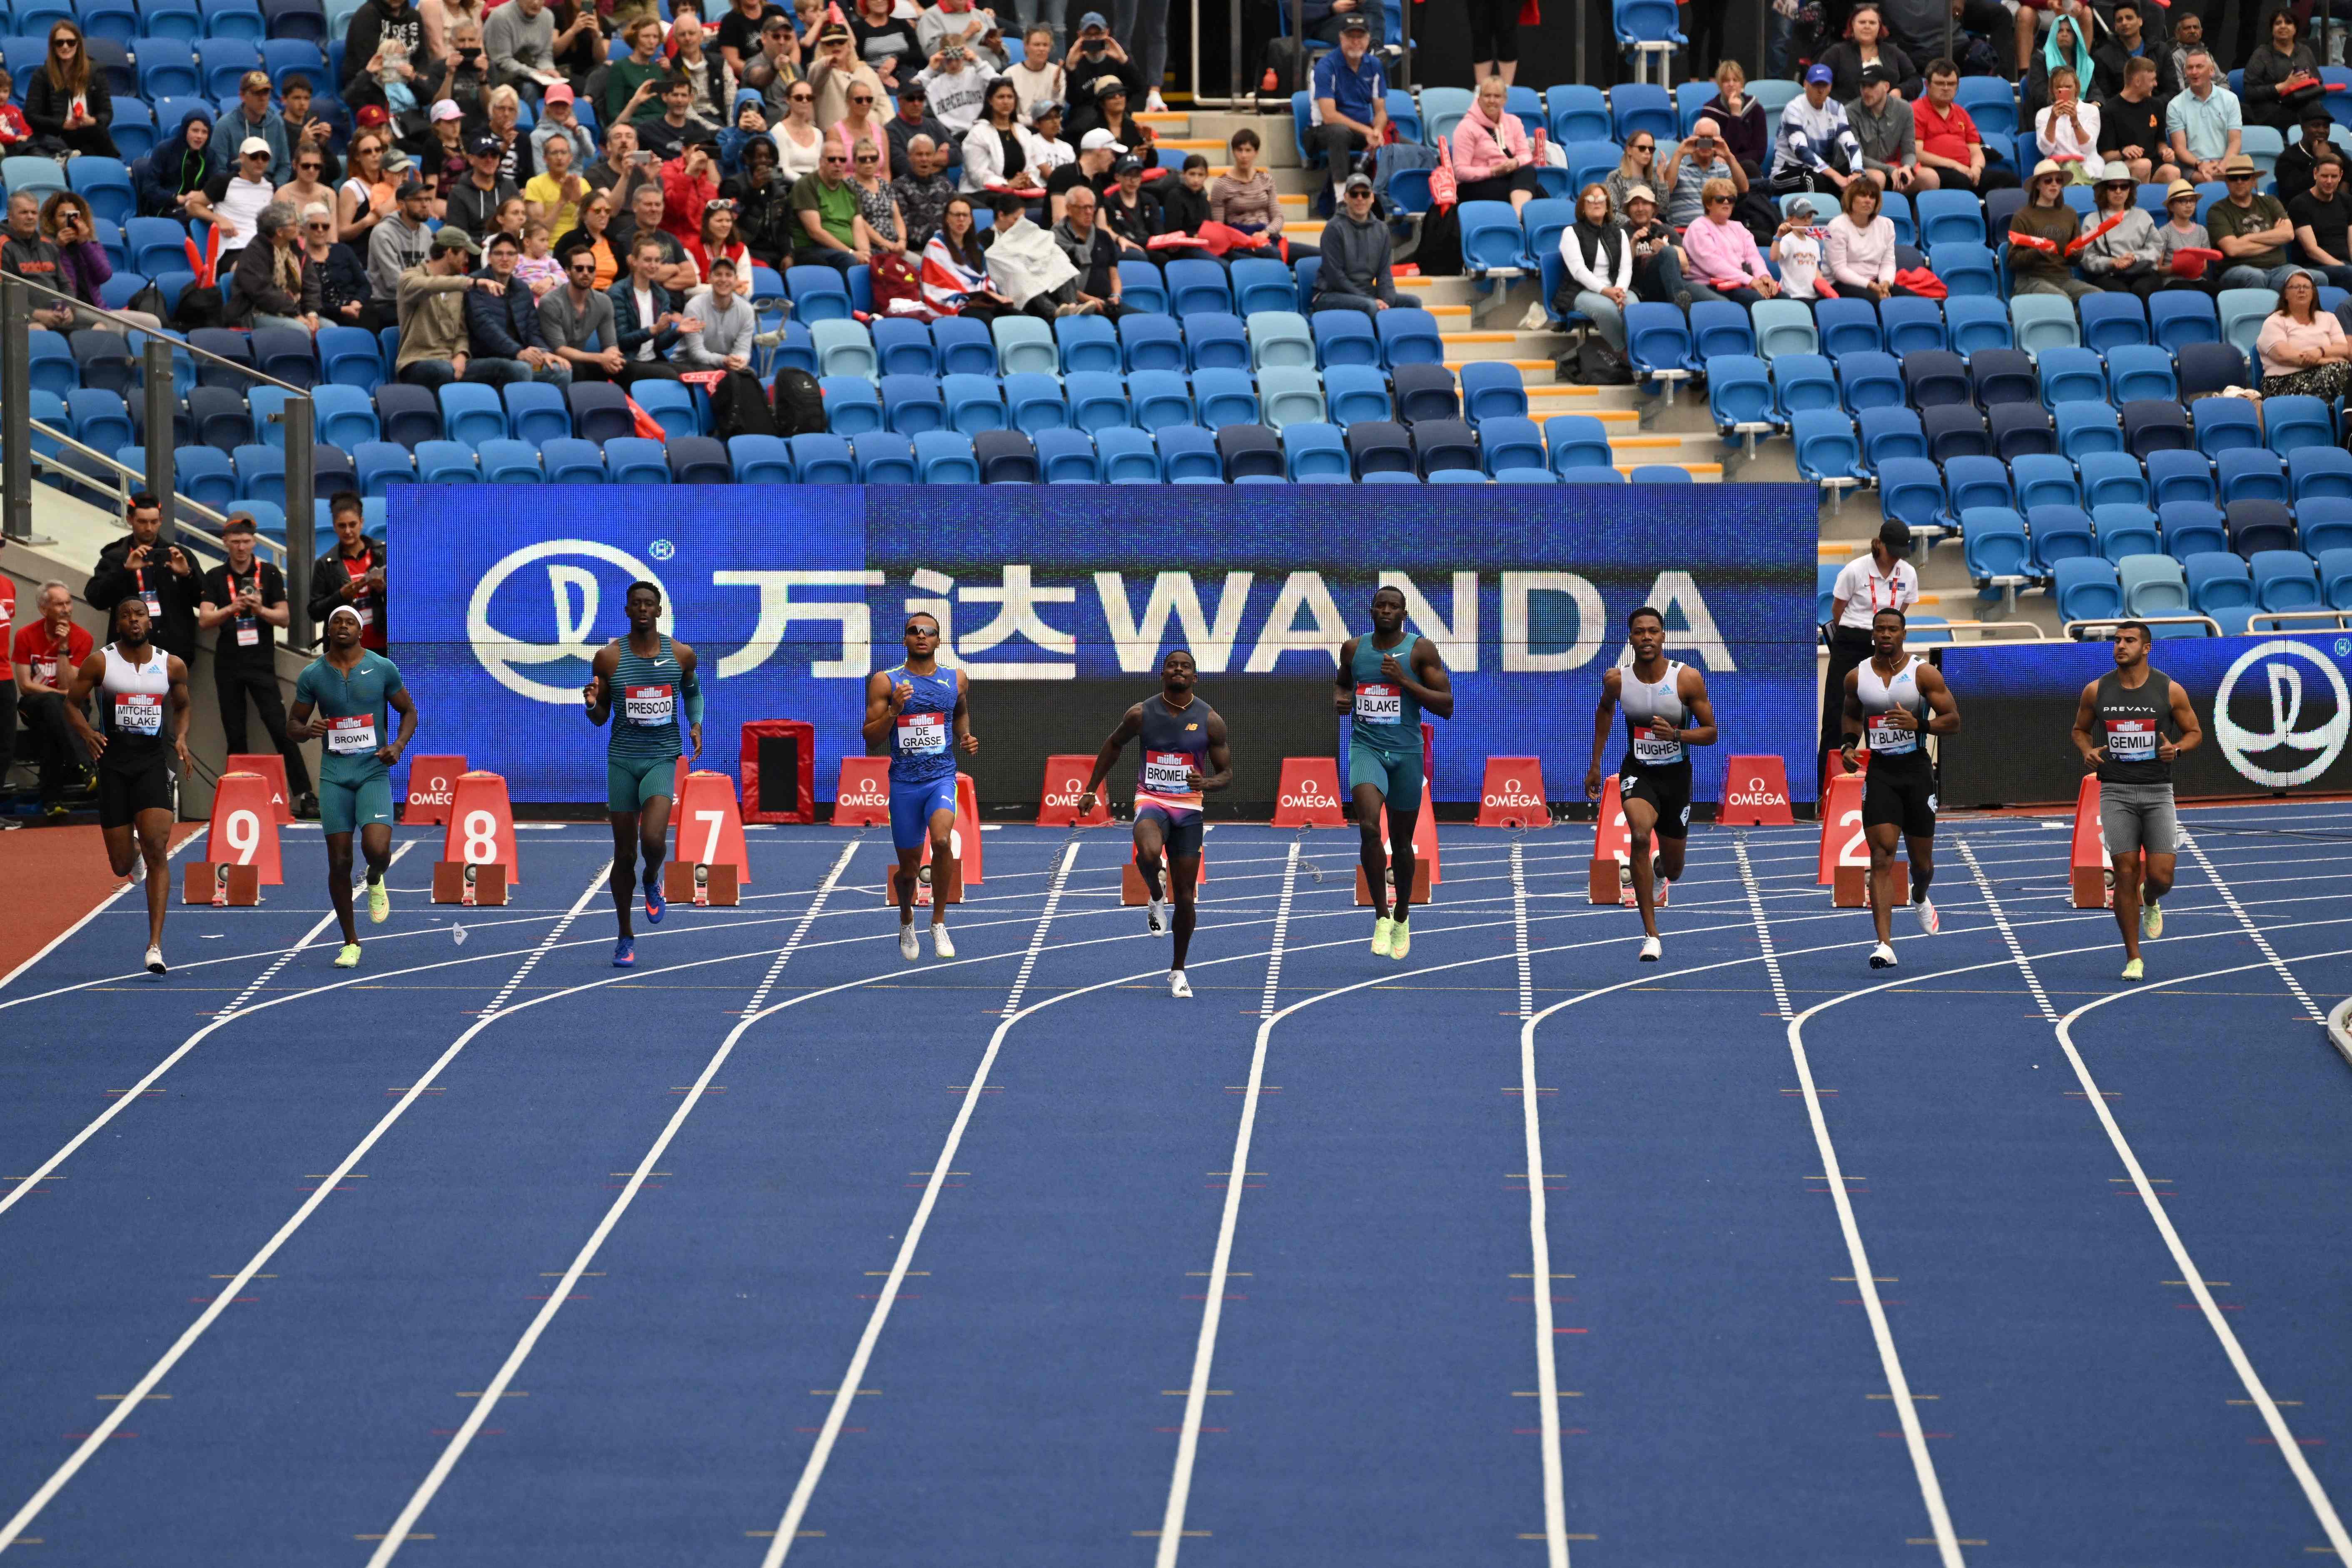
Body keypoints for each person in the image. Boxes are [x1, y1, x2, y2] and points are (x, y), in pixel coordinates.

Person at [1071, 650, 1229, 996]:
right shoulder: (1141, 714)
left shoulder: (1210, 719)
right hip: (1152, 800)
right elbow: (1113, 745)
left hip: (1188, 809)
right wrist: (1090, 789)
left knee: (1187, 897)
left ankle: (1178, 970)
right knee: (1148, 850)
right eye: (1172, 665)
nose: (1178, 670)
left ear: (1195, 677)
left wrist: (1208, 784)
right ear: (1163, 674)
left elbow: (1227, 773)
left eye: (1185, 666)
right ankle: (1156, 894)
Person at [61, 596, 189, 976]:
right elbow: (71, 704)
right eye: (127, 616)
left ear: (150, 622)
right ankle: (131, 856)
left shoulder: (171, 664)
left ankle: (155, 946)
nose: (134, 621)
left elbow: (182, 705)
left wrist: (181, 738)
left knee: (157, 847)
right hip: (113, 765)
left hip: (152, 763)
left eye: (140, 615)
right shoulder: (101, 662)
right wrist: (86, 733)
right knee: (121, 865)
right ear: (118, 623)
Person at [1585, 606, 1717, 961]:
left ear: (1663, 636)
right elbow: (1605, 711)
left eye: (1653, 631)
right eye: (1639, 631)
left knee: (1675, 869)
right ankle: (1651, 934)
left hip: (1676, 777)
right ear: (1630, 638)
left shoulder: (1686, 679)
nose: (1646, 637)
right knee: (1640, 836)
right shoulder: (1617, 680)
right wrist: (1596, 764)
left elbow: (1711, 733)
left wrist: (1676, 733)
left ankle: (1661, 871)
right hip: (1638, 771)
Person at [2070, 622, 2201, 982]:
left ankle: (2152, 897)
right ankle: (2133, 957)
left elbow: (2195, 732)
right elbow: (2080, 730)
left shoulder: (2169, 689)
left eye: (2129, 641)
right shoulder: (2097, 690)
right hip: (2115, 792)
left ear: (2147, 648)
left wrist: (2175, 749)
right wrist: (2088, 751)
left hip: (2158, 792)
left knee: (2162, 876)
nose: (2120, 646)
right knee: (2124, 870)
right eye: (2116, 640)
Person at [583, 581, 704, 967]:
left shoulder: (681, 654)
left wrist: (696, 722)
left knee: (651, 839)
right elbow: (601, 718)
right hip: (622, 759)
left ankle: (653, 877)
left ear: (659, 610)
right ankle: (624, 935)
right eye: (636, 604)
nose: (643, 610)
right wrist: (590, 705)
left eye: (649, 604)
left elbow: (693, 692)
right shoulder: (608, 658)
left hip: (661, 757)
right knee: (623, 854)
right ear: (627, 610)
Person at [287, 602, 413, 969]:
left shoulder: (382, 667)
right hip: (334, 775)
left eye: (350, 622)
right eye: (336, 622)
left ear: (361, 631)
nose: (343, 626)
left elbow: (409, 711)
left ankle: (375, 877)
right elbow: (292, 725)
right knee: (340, 861)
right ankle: (350, 941)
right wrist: (308, 730)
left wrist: (398, 746)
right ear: (329, 631)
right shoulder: (313, 674)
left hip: (372, 769)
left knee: (377, 849)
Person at [1333, 586, 1452, 961]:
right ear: (1371, 611)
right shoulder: (1354, 649)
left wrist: (1403, 681)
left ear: (1404, 613)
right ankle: (1381, 915)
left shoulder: (1420, 650)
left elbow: (1447, 705)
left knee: (1401, 843)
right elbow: (1342, 681)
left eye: (1394, 606)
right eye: (1380, 605)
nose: (1386, 610)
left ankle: (1402, 914)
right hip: (1366, 748)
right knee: (1369, 827)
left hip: (1406, 753)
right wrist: (1340, 697)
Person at [1839, 608, 1959, 969]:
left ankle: (1920, 895)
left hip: (1917, 772)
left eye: (1893, 629)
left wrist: (1919, 723)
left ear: (1904, 634)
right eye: (1880, 629)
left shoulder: (1923, 673)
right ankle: (1884, 944)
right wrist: (1848, 744)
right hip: (1881, 773)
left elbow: (1953, 721)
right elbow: (1851, 712)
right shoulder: (1856, 676)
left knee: (1921, 864)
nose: (1886, 634)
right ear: (1873, 634)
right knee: (1881, 856)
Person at [863, 611, 976, 963]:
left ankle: (938, 921)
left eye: (929, 631)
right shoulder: (886, 681)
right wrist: (895, 709)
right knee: (909, 871)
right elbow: (870, 739)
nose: (922, 636)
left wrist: (965, 736)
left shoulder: (955, 678)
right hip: (904, 784)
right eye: (914, 631)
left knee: (942, 841)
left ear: (939, 640)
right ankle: (906, 918)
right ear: (905, 640)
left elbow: (959, 711)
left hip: (940, 777)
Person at [197, 514, 314, 818]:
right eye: (235, 542)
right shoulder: (215, 575)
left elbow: (285, 618)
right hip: (228, 663)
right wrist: (233, 607)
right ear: (225, 542)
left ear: (255, 542)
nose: (241, 547)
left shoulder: (270, 573)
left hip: (261, 662)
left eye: (246, 541)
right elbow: (205, 619)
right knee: (235, 734)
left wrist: (259, 608)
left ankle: (304, 794)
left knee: (281, 728)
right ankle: (240, 798)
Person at [1820, 519, 1916, 785]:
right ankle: (1826, 785)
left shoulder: (1908, 573)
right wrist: (1859, 635)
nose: (1898, 556)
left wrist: (1887, 634)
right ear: (1881, 544)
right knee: (1837, 711)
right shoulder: (1855, 570)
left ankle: (1886, 779)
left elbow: (1903, 608)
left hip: (1886, 641)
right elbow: (1838, 611)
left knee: (1885, 710)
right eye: (1894, 549)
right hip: (1852, 639)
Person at [11, 581, 95, 821]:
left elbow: (70, 686)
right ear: (43, 609)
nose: (67, 609)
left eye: (69, 603)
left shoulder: (83, 638)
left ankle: (52, 800)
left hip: (73, 708)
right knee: (50, 703)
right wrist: (57, 695)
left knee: (53, 724)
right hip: (34, 706)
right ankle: (86, 767)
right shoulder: (26, 635)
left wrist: (64, 647)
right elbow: (25, 686)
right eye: (59, 604)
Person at [86, 493, 201, 666]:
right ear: (130, 519)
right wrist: (124, 570)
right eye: (142, 522)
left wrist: (187, 574)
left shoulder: (180, 555)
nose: (149, 528)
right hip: (128, 652)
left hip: (172, 653)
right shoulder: (116, 557)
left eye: (154, 522)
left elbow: (204, 600)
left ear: (161, 520)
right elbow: (96, 599)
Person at [396, 226, 506, 385]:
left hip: (451, 362)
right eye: (465, 255)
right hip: (417, 362)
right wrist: (471, 283)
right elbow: (428, 285)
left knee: (513, 369)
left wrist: (461, 356)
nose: (467, 261)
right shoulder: (410, 277)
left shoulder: (458, 287)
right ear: (449, 253)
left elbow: (461, 332)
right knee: (442, 371)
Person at [1306, 15, 1387, 214]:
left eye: (1361, 37)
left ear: (1368, 40)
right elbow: (1329, 116)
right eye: (1351, 37)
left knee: (1399, 142)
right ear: (1341, 38)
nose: (1356, 42)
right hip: (1322, 132)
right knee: (1339, 132)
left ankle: (1388, 201)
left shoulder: (1374, 65)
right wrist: (1367, 130)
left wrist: (1377, 131)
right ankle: (1340, 200)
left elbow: (1381, 111)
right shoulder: (1326, 67)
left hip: (1361, 131)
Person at [1914, 59, 2016, 196]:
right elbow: (1917, 153)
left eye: (1951, 84)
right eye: (1939, 83)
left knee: (2010, 181)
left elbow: (1976, 150)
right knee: (1960, 181)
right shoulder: (1915, 111)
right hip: (1934, 170)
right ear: (1927, 85)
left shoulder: (1962, 113)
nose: (1946, 88)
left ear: (1957, 86)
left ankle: (1989, 217)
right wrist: (1954, 165)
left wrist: (1977, 169)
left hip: (1966, 170)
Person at [1770, 64, 1866, 199]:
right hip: (1787, 171)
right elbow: (1802, 151)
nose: (1820, 91)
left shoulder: (1837, 109)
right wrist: (1835, 176)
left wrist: (1856, 170)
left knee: (1853, 184)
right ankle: (1814, 221)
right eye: (1816, 85)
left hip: (1821, 171)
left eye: (1824, 86)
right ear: (1806, 85)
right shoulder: (1794, 109)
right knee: (1814, 181)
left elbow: (1850, 144)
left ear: (1831, 87)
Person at [25, 22, 117, 160]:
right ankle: (115, 162)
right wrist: (62, 124)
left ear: (78, 44)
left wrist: (92, 120)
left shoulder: (95, 72)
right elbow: (31, 116)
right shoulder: (42, 75)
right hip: (57, 137)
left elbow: (107, 113)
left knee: (94, 135)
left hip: (88, 133)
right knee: (96, 136)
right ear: (53, 47)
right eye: (60, 43)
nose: (66, 47)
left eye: (71, 42)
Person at [1453, 74, 1543, 215]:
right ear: (1479, 98)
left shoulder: (1514, 122)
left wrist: (1515, 162)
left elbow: (1525, 154)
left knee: (1528, 171)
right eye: (1487, 96)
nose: (1492, 101)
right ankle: (1519, 220)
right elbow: (1460, 172)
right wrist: (1493, 171)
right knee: (1537, 192)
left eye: (1497, 96)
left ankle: (1517, 217)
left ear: (1505, 100)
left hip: (1507, 179)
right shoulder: (1466, 128)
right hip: (1474, 185)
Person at [982, 189, 1080, 317]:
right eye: (1016, 219)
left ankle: (1072, 305)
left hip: (1038, 274)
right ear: (1001, 216)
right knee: (1023, 278)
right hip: (1016, 285)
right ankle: (1054, 312)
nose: (1021, 224)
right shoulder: (985, 239)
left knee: (1059, 260)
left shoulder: (1027, 234)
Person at [309, 493, 389, 649]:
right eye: (342, 526)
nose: (348, 531)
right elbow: (315, 612)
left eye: (353, 525)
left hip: (382, 648)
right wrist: (341, 596)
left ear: (362, 522)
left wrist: (383, 589)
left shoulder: (384, 553)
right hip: (344, 651)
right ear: (334, 526)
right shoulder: (325, 564)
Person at [2255, 268, 2352, 396]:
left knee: (2341, 371)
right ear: (2285, 294)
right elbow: (2283, 355)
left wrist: (2320, 352)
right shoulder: (2274, 321)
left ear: (2313, 293)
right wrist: (2321, 361)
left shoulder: (2328, 317)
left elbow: (2343, 348)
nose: (2302, 290)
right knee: (2339, 370)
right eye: (2295, 287)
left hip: (2326, 374)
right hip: (2283, 381)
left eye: (2306, 287)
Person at [227, 200, 322, 331]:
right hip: (257, 313)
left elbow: (311, 284)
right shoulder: (254, 254)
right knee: (301, 331)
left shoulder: (296, 250)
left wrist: (312, 313)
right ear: (280, 232)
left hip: (296, 310)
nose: (298, 228)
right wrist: (294, 314)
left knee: (330, 330)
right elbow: (264, 293)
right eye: (294, 224)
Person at [2210, 152, 2300, 290]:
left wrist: (2247, 238)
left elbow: (2288, 234)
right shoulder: (2217, 210)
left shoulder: (2270, 202)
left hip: (2279, 268)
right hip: (2237, 269)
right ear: (2227, 182)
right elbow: (2233, 249)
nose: (2239, 182)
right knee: (2256, 276)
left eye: (2245, 177)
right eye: (2234, 178)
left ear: (2254, 181)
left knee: (2303, 277)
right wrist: (2275, 239)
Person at [1559, 182, 1632, 350]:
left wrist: (1619, 291)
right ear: (1583, 207)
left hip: (1616, 289)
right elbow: (1578, 271)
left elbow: (1626, 268)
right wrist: (1605, 291)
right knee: (1608, 311)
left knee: (1633, 309)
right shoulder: (1571, 233)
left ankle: (1635, 352)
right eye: (1590, 199)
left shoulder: (1619, 233)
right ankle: (1623, 352)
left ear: (1607, 206)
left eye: (1601, 199)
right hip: (1580, 291)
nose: (1596, 202)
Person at [2010, 158, 2095, 299]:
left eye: (2059, 180)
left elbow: (2073, 261)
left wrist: (2077, 253)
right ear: (2037, 185)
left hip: (2064, 279)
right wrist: (2038, 252)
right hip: (2032, 280)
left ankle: (2077, 321)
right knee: (2063, 299)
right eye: (2048, 180)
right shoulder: (2022, 216)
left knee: (2098, 298)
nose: (2054, 184)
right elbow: (2013, 261)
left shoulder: (2070, 214)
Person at [1684, 177, 1779, 304]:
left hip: (1740, 282)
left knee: (1781, 296)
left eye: (1731, 199)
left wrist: (1764, 276)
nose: (1726, 202)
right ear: (1708, 204)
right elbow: (1714, 265)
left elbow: (1753, 257)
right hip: (1711, 284)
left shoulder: (1738, 227)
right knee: (1757, 299)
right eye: (1720, 199)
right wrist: (1749, 280)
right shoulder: (1698, 227)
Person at [1313, 170, 1396, 312]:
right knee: (1370, 306)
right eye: (1354, 194)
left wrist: (1387, 301)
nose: (1360, 199)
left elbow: (1384, 274)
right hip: (1331, 294)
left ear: (1372, 198)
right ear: (1346, 198)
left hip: (1366, 294)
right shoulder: (1334, 228)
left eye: (1365, 194)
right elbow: (1336, 278)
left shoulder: (1382, 230)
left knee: (1412, 303)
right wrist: (1369, 299)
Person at [540, 244, 627, 376]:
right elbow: (559, 350)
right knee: (578, 371)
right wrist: (601, 358)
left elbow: (610, 343)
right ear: (568, 271)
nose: (586, 273)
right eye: (579, 269)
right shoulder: (550, 302)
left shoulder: (604, 301)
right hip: (547, 361)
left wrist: (612, 356)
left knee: (621, 369)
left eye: (591, 269)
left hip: (580, 360)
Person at [2080, 161, 2165, 295]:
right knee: (2121, 293)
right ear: (2104, 190)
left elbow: (2156, 248)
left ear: (2130, 189)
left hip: (2143, 272)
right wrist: (2112, 262)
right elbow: (2087, 259)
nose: (2119, 191)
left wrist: (2135, 257)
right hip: (2110, 275)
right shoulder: (2092, 221)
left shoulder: (2143, 216)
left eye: (2124, 186)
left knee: (2142, 289)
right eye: (2113, 187)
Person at [1847, 65, 1931, 194]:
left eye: (1872, 86)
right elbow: (1859, 158)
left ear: (1886, 87)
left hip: (1893, 167)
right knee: (1878, 178)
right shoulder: (1850, 112)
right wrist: (1890, 170)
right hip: (1862, 168)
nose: (1866, 91)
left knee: (1930, 178)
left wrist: (1907, 168)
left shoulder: (1904, 109)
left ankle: (1913, 214)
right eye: (1863, 86)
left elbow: (1909, 151)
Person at [0, 194, 78, 333]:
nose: (30, 217)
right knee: (39, 331)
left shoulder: (48, 245)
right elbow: (2, 295)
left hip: (57, 314)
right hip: (18, 316)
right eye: (24, 212)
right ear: (10, 216)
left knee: (102, 327)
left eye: (34, 212)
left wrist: (67, 308)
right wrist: (35, 313)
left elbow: (66, 286)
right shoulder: (3, 245)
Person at [2098, 55, 2178, 187]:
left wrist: (2166, 152)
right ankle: (2135, 206)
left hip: (2154, 164)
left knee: (2172, 172)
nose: (2156, 84)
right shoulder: (2110, 111)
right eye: (2152, 80)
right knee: (2143, 165)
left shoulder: (2156, 105)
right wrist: (2123, 151)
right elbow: (2106, 156)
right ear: (2137, 81)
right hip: (2123, 167)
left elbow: (2161, 143)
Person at [1823, 177, 1905, 299]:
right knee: (1879, 302)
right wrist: (1871, 286)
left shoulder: (1887, 225)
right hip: (1841, 283)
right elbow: (1839, 271)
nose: (1868, 201)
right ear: (1851, 199)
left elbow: (1888, 262)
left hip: (1875, 281)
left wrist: (1885, 284)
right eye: (1862, 196)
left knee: (1914, 300)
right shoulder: (1836, 226)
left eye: (1872, 197)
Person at [2168, 48, 2242, 183]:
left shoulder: (2231, 100)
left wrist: (2223, 166)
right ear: (2186, 73)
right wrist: (2200, 165)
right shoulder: (2175, 105)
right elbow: (2179, 149)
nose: (2194, 72)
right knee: (2209, 180)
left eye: (2200, 67)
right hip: (2192, 166)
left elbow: (2235, 142)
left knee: (2246, 179)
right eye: (2190, 68)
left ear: (2212, 71)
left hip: (2226, 162)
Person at [2243, 7, 2322, 133]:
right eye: (2278, 23)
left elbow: (2319, 82)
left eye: (2288, 23)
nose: (2283, 26)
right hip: (2272, 107)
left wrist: (2309, 81)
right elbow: (2250, 92)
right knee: (2303, 120)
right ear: (2272, 29)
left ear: (2295, 29)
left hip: (2302, 102)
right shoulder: (2261, 54)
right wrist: (2284, 86)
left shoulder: (2305, 51)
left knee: (2322, 117)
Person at [1661, 117, 1750, 228]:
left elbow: (1743, 189)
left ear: (1719, 141)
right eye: (1701, 138)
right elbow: (1667, 188)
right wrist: (1680, 153)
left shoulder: (1722, 169)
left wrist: (1729, 156)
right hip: (1683, 230)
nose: (1705, 143)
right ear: (1693, 139)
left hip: (1715, 231)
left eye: (1710, 139)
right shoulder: (1677, 164)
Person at [1053, 184, 1128, 316]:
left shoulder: (1104, 236)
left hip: (1108, 304)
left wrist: (1116, 296)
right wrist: (1089, 300)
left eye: (1091, 207)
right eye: (1083, 208)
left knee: (1148, 321)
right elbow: (1059, 284)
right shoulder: (1056, 240)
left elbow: (1114, 276)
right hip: (1077, 306)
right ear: (1069, 210)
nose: (1089, 212)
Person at [1819, 4, 1915, 101]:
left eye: (1872, 23)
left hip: (1889, 113)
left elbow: (1914, 79)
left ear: (1879, 27)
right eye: (1862, 22)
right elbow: (1819, 83)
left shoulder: (1894, 52)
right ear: (1853, 25)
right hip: (1846, 113)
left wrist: (1900, 91)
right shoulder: (1836, 53)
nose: (1867, 26)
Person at [137, 109, 220, 220]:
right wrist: (179, 199)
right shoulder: (164, 150)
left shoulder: (209, 154)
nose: (200, 136)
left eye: (205, 132)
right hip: (167, 208)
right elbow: (150, 189)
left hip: (198, 206)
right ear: (185, 131)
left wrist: (201, 195)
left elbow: (215, 185)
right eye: (195, 131)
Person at [807, 20, 887, 132]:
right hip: (836, 138)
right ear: (822, 48)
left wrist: (888, 129)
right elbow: (816, 74)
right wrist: (826, 62)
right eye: (830, 43)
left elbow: (884, 104)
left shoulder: (866, 71)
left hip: (871, 134)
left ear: (849, 46)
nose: (836, 45)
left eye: (841, 42)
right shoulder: (821, 72)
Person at [2290, 154, 2352, 292]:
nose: (2329, 181)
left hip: (2346, 266)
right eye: (2325, 176)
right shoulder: (2300, 204)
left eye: (2334, 177)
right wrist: (2343, 267)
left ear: (2341, 176)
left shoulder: (2347, 201)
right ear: (2315, 174)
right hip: (2315, 267)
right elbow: (2312, 250)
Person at [680, 252, 755, 364]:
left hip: (727, 365)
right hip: (692, 365)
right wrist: (724, 361)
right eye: (718, 274)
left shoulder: (747, 310)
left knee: (748, 376)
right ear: (709, 278)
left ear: (736, 280)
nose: (723, 279)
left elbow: (743, 351)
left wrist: (739, 361)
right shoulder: (694, 306)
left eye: (729, 275)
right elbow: (696, 353)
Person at [1619, 186, 1690, 304]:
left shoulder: (1666, 230)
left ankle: (1680, 300)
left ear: (1654, 209)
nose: (1640, 208)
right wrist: (1633, 244)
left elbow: (1685, 268)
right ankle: (1679, 300)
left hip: (1674, 283)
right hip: (1643, 288)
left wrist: (1665, 250)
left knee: (1716, 301)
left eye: (1645, 203)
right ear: (1628, 210)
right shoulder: (1621, 233)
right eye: (1635, 204)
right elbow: (1618, 271)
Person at [1699, 59, 1769, 177]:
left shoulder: (1756, 110)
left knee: (1750, 166)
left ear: (1741, 84)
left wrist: (1729, 160)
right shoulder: (1709, 111)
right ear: (1720, 85)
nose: (1731, 84)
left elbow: (1759, 153)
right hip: (1717, 169)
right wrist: (1735, 118)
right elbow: (1708, 148)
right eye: (1726, 81)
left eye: (1735, 80)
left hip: (1748, 170)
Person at [2092, 0, 2173, 100]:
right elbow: (2106, 98)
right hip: (2122, 111)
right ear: (2115, 27)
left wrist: (2153, 106)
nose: (2124, 23)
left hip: (2158, 109)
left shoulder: (2161, 50)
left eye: (2129, 18)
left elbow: (2172, 91)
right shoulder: (2102, 57)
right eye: (2119, 20)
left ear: (2140, 21)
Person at [2036, 66, 2102, 182]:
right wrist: (2052, 120)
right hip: (2056, 169)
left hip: (2087, 167)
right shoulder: (2043, 114)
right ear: (2052, 90)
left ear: (2076, 89)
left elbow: (2088, 149)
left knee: (2073, 169)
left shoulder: (2091, 111)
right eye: (2059, 88)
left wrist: (2075, 121)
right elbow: (2046, 150)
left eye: (2068, 87)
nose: (2064, 91)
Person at [892, 132, 958, 247]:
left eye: (928, 154)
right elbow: (904, 227)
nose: (924, 159)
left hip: (948, 247)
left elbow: (957, 216)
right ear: (909, 156)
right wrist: (938, 242)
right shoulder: (899, 187)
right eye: (919, 154)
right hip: (917, 250)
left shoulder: (945, 185)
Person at [1047, 126, 1121, 221]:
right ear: (1100, 150)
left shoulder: (1097, 183)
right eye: (1112, 153)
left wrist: (1118, 237)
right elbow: (1059, 220)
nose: (1114, 159)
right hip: (1062, 236)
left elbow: (1102, 226)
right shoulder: (1063, 175)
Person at [1099, 155, 1161, 253]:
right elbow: (1117, 233)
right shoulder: (1109, 203)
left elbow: (1158, 232)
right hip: (1126, 246)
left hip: (1151, 246)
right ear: (1117, 177)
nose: (1133, 180)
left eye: (1137, 175)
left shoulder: (1150, 200)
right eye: (1128, 175)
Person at [1004, 23, 1065, 122]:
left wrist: (1055, 89)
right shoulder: (1010, 74)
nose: (1041, 49)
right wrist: (1033, 122)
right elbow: (1008, 113)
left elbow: (1058, 110)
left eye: (1045, 45)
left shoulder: (1057, 72)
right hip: (1020, 127)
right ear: (1026, 47)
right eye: (1037, 45)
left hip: (1048, 128)